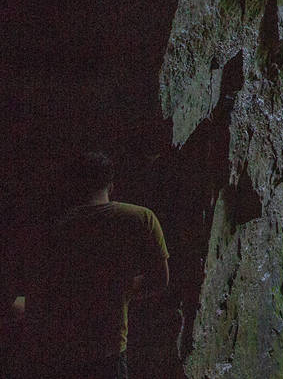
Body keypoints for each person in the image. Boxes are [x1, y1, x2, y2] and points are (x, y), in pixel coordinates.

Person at [12, 151, 169, 378]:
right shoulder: (141, 219)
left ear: (74, 185)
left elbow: (42, 293)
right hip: (109, 351)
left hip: (60, 354)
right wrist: (118, 289)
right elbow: (160, 280)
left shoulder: (55, 230)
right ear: (111, 185)